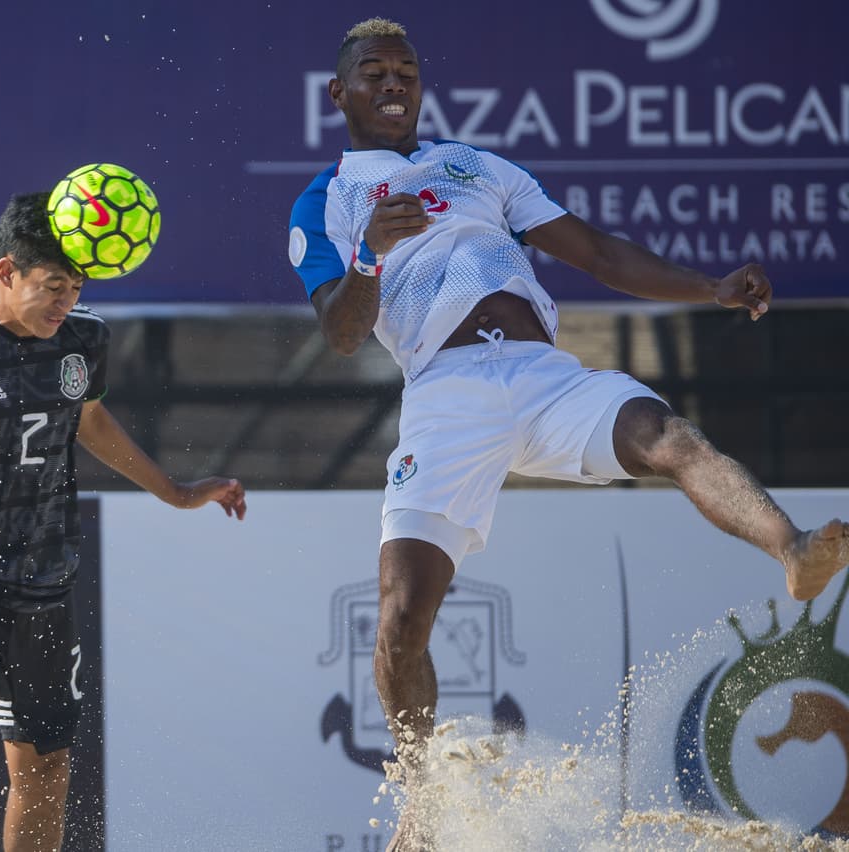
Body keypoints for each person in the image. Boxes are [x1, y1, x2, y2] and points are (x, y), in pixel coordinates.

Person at [288, 16, 849, 849]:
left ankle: (794, 549)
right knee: (402, 620)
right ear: (339, 94)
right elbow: (339, 334)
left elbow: (600, 255)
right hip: (443, 395)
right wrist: (371, 254)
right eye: (374, 73)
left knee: (670, 436)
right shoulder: (324, 199)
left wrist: (712, 288)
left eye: (406, 70)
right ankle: (421, 796)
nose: (394, 84)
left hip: (542, 375)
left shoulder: (477, 167)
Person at [0, 192, 247, 852]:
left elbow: (90, 422)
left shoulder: (83, 340)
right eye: (52, 286)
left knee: (44, 768)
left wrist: (177, 493)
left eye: (75, 287)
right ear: (8, 271)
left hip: (42, 579)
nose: (64, 303)